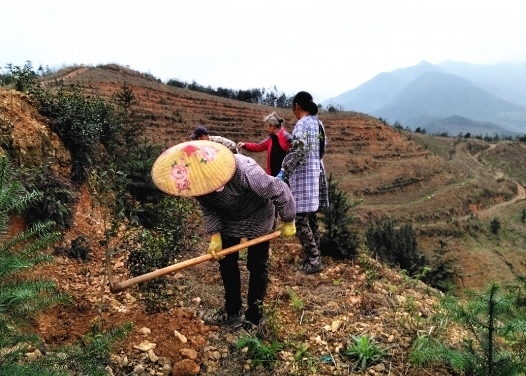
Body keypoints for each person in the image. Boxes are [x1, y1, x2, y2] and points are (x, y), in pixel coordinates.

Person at [151, 140, 296, 328]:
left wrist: (289, 219)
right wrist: (215, 235)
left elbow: (278, 189)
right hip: (230, 219)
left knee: (256, 264)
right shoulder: (196, 182)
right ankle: (231, 311)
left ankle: (254, 317)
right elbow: (209, 209)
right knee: (226, 262)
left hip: (258, 215)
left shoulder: (245, 170)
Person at [277, 91, 328, 275]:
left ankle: (314, 261)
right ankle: (316, 256)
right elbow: (323, 149)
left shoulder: (302, 124)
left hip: (302, 178)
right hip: (315, 175)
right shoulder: (318, 124)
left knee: (299, 220)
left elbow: (298, 150)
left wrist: (284, 170)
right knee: (311, 218)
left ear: (297, 106)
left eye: (293, 108)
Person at [237, 112, 293, 177]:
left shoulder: (287, 137)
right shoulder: (271, 139)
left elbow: (297, 151)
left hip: (285, 175)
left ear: (272, 126)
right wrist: (245, 145)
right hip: (273, 175)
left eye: (267, 126)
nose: (266, 128)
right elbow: (258, 146)